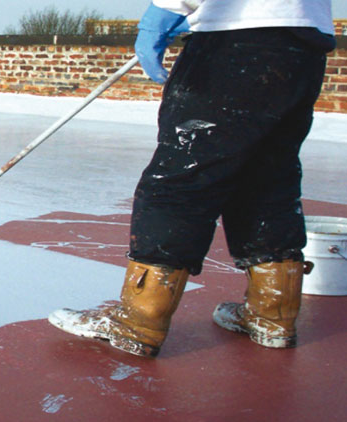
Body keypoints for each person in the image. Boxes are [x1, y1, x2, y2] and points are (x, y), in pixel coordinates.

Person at [49, 0, 336, 358]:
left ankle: (139, 320)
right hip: (304, 45)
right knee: (266, 178)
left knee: (182, 177)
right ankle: (272, 316)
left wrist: (169, 8)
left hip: (234, 45)